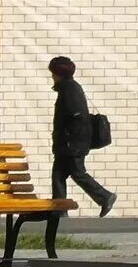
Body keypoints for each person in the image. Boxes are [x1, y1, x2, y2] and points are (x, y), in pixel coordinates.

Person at [47, 55, 116, 216]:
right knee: (58, 175)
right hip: (70, 143)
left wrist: (67, 138)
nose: (52, 76)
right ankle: (59, 209)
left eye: (53, 73)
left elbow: (75, 116)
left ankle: (105, 196)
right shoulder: (70, 88)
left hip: (72, 144)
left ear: (58, 74)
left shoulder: (69, 90)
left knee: (77, 173)